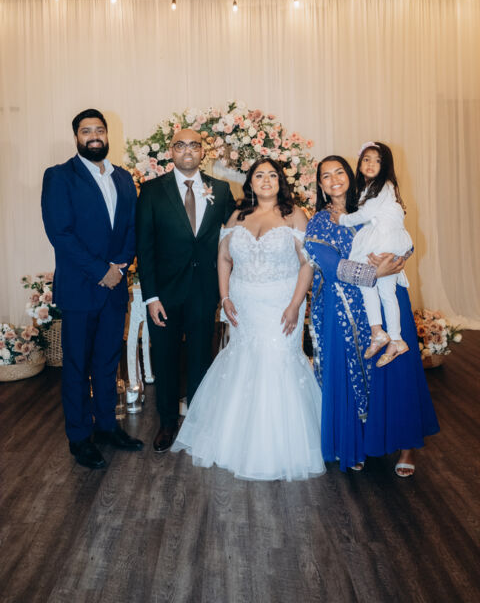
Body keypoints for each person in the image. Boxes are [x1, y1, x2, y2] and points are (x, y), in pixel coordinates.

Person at [171, 158, 326, 481]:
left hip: (282, 303)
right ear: (251, 182)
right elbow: (223, 258)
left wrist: (296, 304)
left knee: (277, 361)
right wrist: (225, 297)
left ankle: (279, 448)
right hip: (244, 304)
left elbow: (307, 263)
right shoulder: (238, 216)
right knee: (243, 361)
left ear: (280, 181)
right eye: (259, 175)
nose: (266, 180)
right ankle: (234, 443)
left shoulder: (294, 215)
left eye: (272, 175)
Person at [304, 155, 439, 477]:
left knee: (398, 370)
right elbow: (329, 264)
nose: (334, 179)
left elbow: (402, 236)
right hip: (345, 307)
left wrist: (398, 258)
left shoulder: (371, 204)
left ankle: (406, 447)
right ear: (320, 185)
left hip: (388, 298)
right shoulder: (320, 221)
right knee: (354, 375)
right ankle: (357, 443)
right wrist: (373, 272)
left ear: (351, 176)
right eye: (326, 176)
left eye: (339, 172)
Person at [41, 108, 143, 470]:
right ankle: (80, 437)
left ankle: (106, 427)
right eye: (86, 131)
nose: (94, 136)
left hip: (114, 288)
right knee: (75, 365)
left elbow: (132, 227)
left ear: (107, 134)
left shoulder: (123, 177)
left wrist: (120, 266)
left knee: (107, 362)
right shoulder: (59, 177)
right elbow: (60, 233)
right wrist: (102, 270)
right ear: (76, 137)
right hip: (80, 288)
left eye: (99, 130)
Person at [136, 128, 236, 453]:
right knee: (165, 360)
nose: (188, 150)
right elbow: (144, 247)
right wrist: (151, 297)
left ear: (203, 151)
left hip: (204, 292)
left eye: (194, 145)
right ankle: (167, 423)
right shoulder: (152, 191)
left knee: (200, 360)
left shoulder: (221, 190)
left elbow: (235, 237)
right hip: (164, 295)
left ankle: (197, 422)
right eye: (180, 145)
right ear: (171, 151)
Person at [331, 142, 413, 367]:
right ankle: (395, 338)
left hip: (383, 240)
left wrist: (342, 219)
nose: (370, 164)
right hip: (387, 239)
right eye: (366, 159)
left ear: (385, 166)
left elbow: (365, 214)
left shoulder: (382, 186)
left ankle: (379, 332)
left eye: (377, 160)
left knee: (368, 284)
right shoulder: (370, 188)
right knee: (386, 292)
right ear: (359, 164)